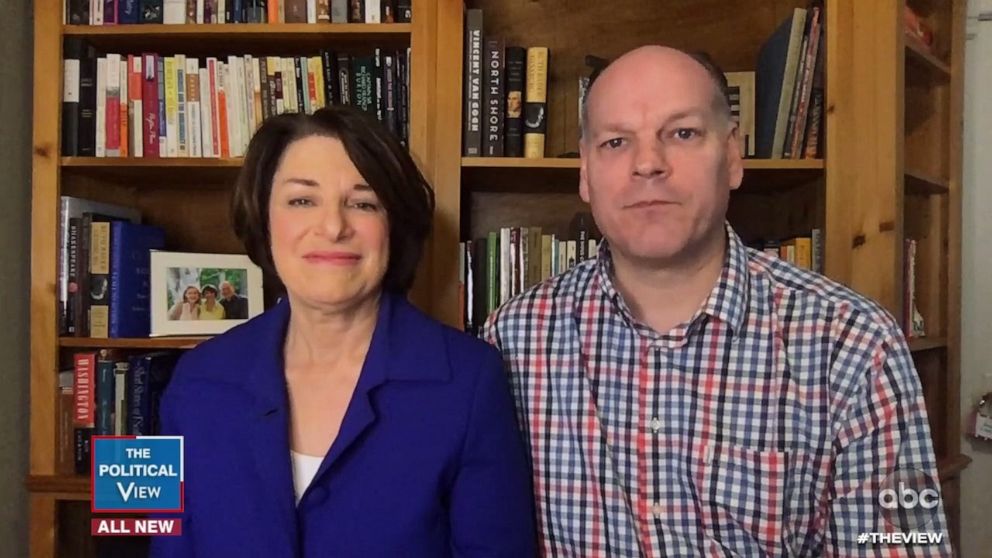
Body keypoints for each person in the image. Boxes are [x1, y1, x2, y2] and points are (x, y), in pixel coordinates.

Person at [482, 45, 950, 556]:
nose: (648, 164)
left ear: (732, 156)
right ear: (585, 175)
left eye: (682, 133)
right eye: (616, 142)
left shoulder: (855, 344)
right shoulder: (513, 339)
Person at [151, 106, 535, 557]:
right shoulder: (194, 379)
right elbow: (163, 542)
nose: (333, 227)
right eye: (302, 200)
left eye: (363, 202)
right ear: (263, 217)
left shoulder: (470, 380)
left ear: (394, 226)